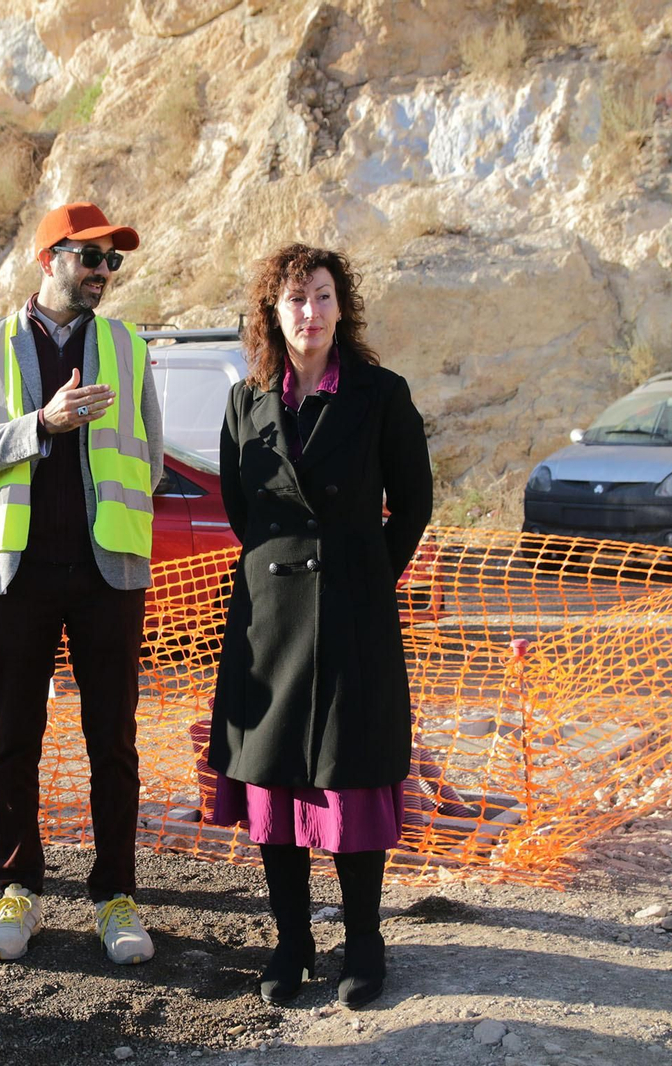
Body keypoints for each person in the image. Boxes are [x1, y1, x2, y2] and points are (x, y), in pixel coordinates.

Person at [207, 243, 432, 1008]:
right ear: (274, 311)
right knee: (273, 780)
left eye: (324, 297)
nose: (311, 312)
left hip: (354, 613)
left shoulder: (382, 394)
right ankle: (292, 941)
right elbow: (244, 511)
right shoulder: (247, 401)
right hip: (267, 620)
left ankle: (364, 943)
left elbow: (414, 503)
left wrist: (367, 575)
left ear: (344, 307)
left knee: (351, 777)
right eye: (297, 298)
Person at [0, 202, 164, 965]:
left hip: (109, 573)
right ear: (49, 260)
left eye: (113, 262)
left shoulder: (130, 346)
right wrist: (42, 423)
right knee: (16, 738)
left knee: (115, 740)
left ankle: (115, 896)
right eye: (91, 258)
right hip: (17, 573)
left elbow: (152, 454)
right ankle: (20, 888)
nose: (104, 272)